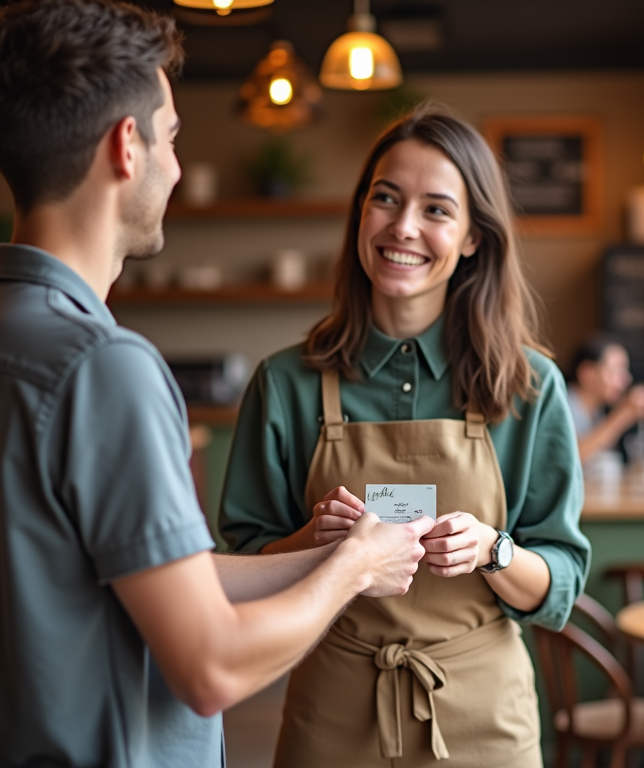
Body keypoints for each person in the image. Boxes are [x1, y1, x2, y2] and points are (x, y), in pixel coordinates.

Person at [0, 2, 434, 766]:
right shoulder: (104, 365)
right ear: (126, 147)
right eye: (171, 138)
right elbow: (212, 665)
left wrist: (334, 553)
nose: (179, 167)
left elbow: (140, 576)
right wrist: (354, 569)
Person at [219, 108, 590, 768]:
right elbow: (243, 568)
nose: (404, 226)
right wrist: (317, 542)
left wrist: (493, 549)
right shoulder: (285, 383)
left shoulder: (531, 386)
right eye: (385, 197)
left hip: (485, 717)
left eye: (437, 209)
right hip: (333, 710)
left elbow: (559, 579)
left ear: (474, 237)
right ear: (360, 213)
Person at [566, 333, 644, 463]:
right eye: (617, 371)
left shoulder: (597, 411)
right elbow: (570, 456)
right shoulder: (563, 407)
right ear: (587, 374)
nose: (627, 379)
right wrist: (623, 415)